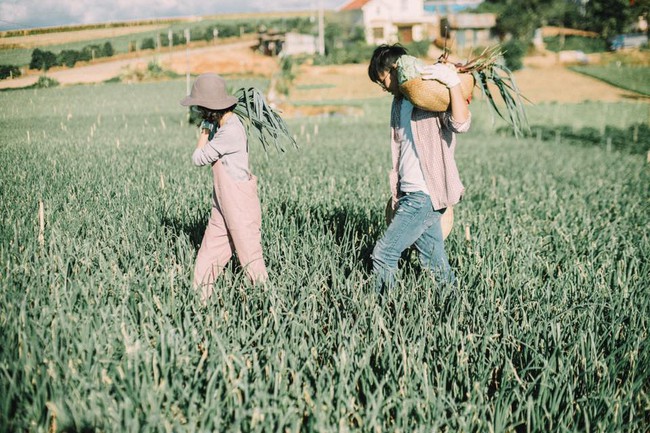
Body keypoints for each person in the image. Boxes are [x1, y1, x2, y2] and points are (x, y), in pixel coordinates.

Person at [367, 44, 471, 295]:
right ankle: (455, 308)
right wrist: (398, 195)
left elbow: (460, 123)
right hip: (410, 194)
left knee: (384, 253)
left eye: (384, 80)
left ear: (395, 69)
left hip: (426, 194)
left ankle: (385, 311)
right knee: (435, 264)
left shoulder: (428, 96)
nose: (385, 87)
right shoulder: (399, 103)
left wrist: (453, 83)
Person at [180, 73, 268, 301]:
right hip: (223, 202)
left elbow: (198, 158)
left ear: (208, 109)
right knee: (208, 256)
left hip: (238, 203)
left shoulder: (229, 131)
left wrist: (204, 133)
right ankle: (199, 302)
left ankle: (268, 306)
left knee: (251, 260)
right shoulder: (227, 124)